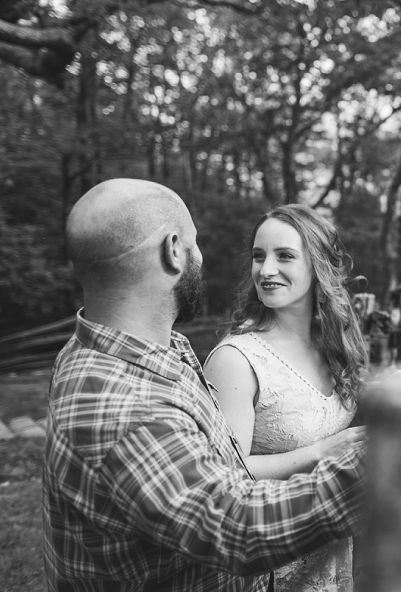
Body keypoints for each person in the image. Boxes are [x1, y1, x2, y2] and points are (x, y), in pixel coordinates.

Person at [43, 179, 366, 592]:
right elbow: (237, 527)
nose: (202, 256)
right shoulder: (127, 410)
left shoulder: (136, 353)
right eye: (194, 243)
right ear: (174, 250)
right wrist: (385, 452)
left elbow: (220, 464)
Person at [204, 204, 368, 592]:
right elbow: (224, 477)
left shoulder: (332, 345)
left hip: (330, 554)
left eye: (285, 256)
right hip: (269, 564)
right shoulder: (237, 360)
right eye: (259, 256)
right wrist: (321, 453)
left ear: (319, 267)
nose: (266, 269)